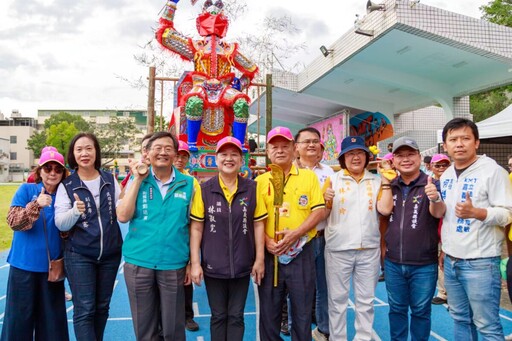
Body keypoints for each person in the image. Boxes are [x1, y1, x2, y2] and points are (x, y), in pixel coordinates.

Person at [117, 131, 198, 341]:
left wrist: (191, 262)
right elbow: (123, 216)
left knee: (173, 328)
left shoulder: (188, 184)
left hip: (173, 265)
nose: (163, 152)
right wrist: (137, 178)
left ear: (175, 154)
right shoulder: (136, 180)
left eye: (168, 149)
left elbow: (194, 227)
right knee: (145, 330)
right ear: (147, 153)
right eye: (158, 148)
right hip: (138, 264)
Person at [440, 118, 512, 340]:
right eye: (453, 139)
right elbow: (448, 219)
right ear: (445, 146)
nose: (459, 144)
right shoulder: (446, 175)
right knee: (460, 318)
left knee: (487, 326)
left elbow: (508, 212)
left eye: (465, 138)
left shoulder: (493, 172)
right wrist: (444, 249)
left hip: (481, 262)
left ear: (477, 142)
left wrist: (478, 213)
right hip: (452, 262)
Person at [189, 136, 266, 340]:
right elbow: (196, 228)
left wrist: (259, 259)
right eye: (224, 154)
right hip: (213, 266)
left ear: (241, 160)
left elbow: (258, 224)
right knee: (218, 315)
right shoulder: (204, 190)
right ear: (216, 159)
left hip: (242, 265)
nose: (229, 159)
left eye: (234, 155)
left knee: (236, 316)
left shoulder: (252, 188)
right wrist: (195, 263)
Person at [157, 0, 258, 151]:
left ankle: (238, 145)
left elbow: (251, 69)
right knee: (193, 102)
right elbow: (166, 35)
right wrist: (172, 4)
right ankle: (191, 144)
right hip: (201, 86)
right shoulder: (195, 46)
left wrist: (240, 84)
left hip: (224, 88)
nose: (213, 14)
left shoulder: (229, 49)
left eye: (218, 9)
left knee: (241, 104)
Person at [255, 126, 326, 341]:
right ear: (267, 150)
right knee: (269, 312)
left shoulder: (308, 177)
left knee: (302, 311)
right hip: (271, 255)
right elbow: (256, 219)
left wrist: (296, 234)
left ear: (294, 149)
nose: (280, 150)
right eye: (274, 146)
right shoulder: (260, 182)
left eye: (285, 146)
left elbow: (319, 210)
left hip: (302, 252)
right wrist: (267, 242)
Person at [55, 133, 123, 341]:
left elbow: (122, 211)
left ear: (96, 152)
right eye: (79, 149)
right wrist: (75, 211)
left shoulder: (109, 179)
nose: (84, 153)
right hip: (79, 255)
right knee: (84, 309)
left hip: (110, 255)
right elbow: (60, 222)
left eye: (89, 148)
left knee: (102, 307)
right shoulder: (66, 185)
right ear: (73, 155)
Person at [323, 136, 391, 341]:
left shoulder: (377, 180)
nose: (355, 157)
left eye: (359, 153)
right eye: (350, 153)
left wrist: (387, 181)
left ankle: (363, 337)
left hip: (369, 249)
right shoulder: (332, 180)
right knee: (337, 301)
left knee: (366, 301)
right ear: (343, 158)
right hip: (338, 249)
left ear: (366, 156)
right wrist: (324, 201)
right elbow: (321, 213)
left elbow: (385, 211)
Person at [379, 136, 446, 341]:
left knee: (420, 311)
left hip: (424, 264)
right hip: (393, 263)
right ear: (394, 160)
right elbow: (383, 210)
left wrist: (434, 196)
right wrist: (385, 181)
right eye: (400, 155)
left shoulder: (431, 183)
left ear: (419, 156)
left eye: (410, 154)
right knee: (397, 310)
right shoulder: (390, 184)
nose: (406, 159)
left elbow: (439, 213)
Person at [1, 146, 69, 341]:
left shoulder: (65, 196)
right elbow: (14, 222)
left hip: (52, 270)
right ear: (39, 171)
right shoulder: (26, 190)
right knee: (18, 321)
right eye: (48, 168)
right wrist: (36, 205)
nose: (53, 173)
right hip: (23, 266)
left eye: (58, 169)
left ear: (63, 172)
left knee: (52, 325)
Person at [294, 127, 334, 341]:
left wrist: (328, 201)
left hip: (323, 238)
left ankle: (324, 330)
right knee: (298, 289)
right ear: (297, 147)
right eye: (306, 141)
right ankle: (296, 331)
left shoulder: (328, 172)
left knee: (324, 288)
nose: (311, 145)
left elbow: (333, 207)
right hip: (298, 240)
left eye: (315, 141)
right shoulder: (289, 172)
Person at [174, 140, 200, 332]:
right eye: (178, 155)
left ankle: (187, 315)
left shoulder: (192, 181)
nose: (180, 159)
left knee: (186, 279)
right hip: (166, 237)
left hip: (184, 235)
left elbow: (196, 213)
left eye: (184, 156)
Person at [430, 153, 451, 306]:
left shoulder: (453, 182)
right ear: (431, 167)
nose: (442, 168)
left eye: (445, 165)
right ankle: (442, 292)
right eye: (438, 165)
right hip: (434, 226)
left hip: (448, 226)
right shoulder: (430, 184)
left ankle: (452, 294)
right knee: (439, 260)